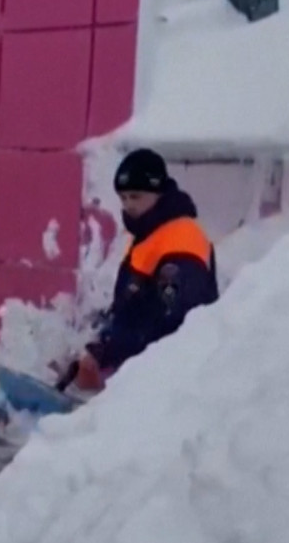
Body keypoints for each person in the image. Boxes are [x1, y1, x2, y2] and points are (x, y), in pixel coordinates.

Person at [68, 148, 219, 392]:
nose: (128, 205)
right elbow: (132, 303)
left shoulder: (182, 239)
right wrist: (96, 337)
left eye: (135, 196)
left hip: (169, 383)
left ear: (158, 192)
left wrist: (106, 350)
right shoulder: (150, 233)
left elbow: (170, 321)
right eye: (124, 197)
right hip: (139, 373)